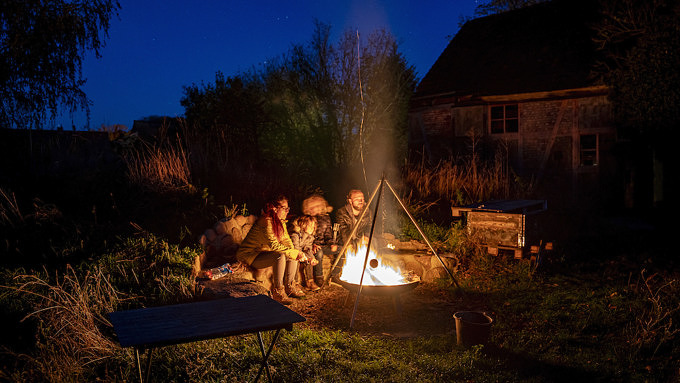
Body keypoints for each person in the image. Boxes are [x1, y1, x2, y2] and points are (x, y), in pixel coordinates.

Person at [236, 195, 307, 305]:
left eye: (288, 208)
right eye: (284, 208)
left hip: (263, 252)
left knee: (292, 253)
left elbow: (286, 241)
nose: (287, 211)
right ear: (274, 208)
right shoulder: (266, 221)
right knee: (280, 256)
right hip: (250, 255)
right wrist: (295, 253)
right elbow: (274, 245)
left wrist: (297, 253)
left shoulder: (280, 222)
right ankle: (278, 291)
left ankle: (290, 286)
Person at [302, 194, 338, 287]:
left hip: (323, 245)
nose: (316, 208)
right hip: (311, 247)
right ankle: (319, 278)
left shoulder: (325, 218)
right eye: (313, 207)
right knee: (319, 253)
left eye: (318, 206)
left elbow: (328, 235)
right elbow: (305, 237)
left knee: (341, 249)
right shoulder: (306, 220)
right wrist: (313, 244)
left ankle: (335, 275)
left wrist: (332, 244)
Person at [333, 189, 371, 275]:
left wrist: (367, 236)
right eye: (357, 199)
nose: (361, 201)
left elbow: (369, 226)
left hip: (360, 238)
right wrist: (349, 243)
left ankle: (367, 272)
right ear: (350, 201)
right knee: (343, 249)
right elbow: (343, 229)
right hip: (345, 239)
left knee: (373, 245)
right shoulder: (342, 212)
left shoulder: (367, 211)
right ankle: (335, 274)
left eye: (362, 198)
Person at [289, 215, 320, 291]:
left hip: (300, 252)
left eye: (313, 226)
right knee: (295, 261)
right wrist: (306, 257)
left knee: (309, 260)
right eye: (310, 225)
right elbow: (296, 248)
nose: (312, 228)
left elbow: (308, 249)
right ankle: (295, 283)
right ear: (303, 225)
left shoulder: (309, 236)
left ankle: (310, 282)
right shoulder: (295, 234)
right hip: (292, 252)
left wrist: (312, 258)